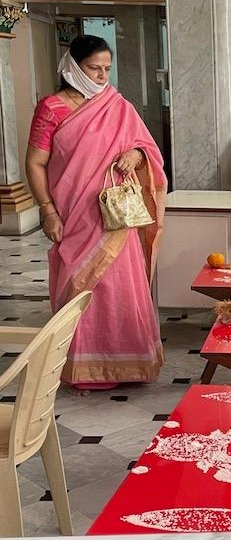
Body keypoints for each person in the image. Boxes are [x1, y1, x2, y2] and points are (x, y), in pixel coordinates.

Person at [25, 35, 167, 392]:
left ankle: (129, 366)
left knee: (121, 289)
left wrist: (135, 156)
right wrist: (47, 210)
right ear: (73, 65)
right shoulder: (51, 108)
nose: (102, 76)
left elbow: (145, 148)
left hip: (116, 218)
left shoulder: (116, 105)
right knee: (79, 289)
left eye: (107, 68)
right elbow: (36, 162)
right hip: (74, 215)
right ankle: (84, 368)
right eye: (94, 68)